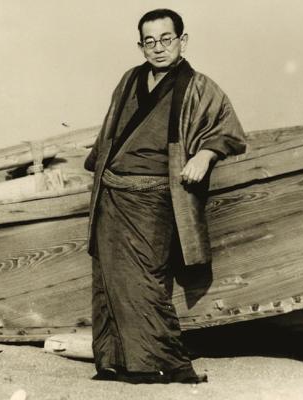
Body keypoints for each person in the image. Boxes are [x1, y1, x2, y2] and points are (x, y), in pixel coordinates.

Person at [84, 9, 246, 384]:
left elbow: (228, 131)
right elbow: (109, 132)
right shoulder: (129, 80)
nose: (158, 48)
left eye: (166, 39)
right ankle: (114, 362)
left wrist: (205, 155)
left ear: (182, 41)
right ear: (141, 46)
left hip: (154, 198)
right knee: (108, 280)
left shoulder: (200, 87)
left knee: (147, 280)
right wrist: (97, 165)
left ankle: (159, 363)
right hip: (111, 194)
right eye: (149, 41)